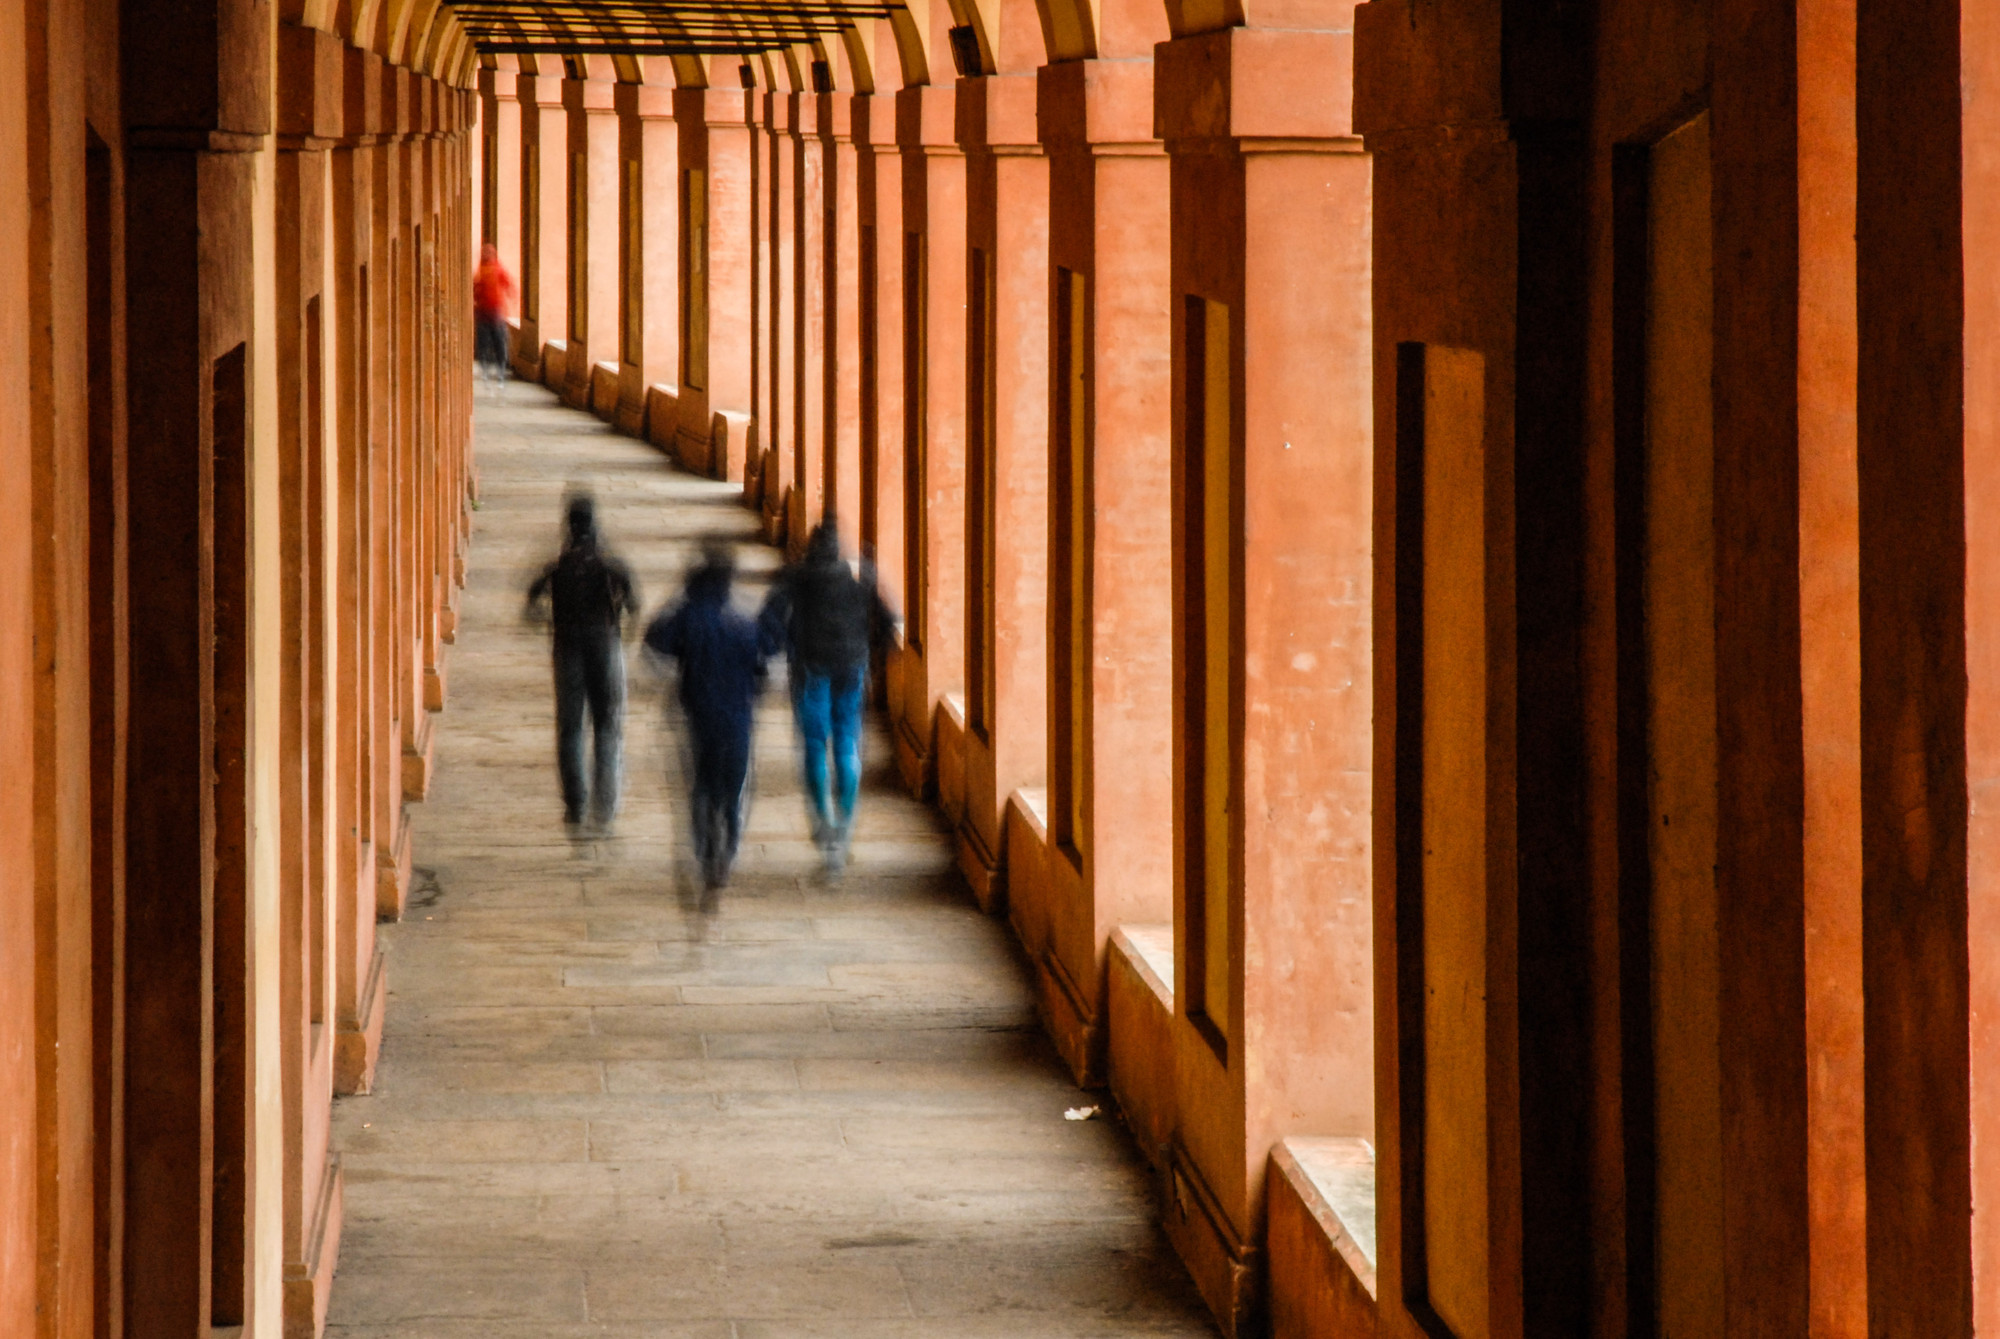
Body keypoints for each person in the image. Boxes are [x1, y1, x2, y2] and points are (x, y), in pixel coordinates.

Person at [759, 522, 895, 873]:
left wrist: (775, 651)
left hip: (811, 670)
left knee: (815, 746)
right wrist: (873, 656)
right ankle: (844, 826)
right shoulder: (860, 579)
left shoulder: (796, 577)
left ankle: (823, 820)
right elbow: (889, 623)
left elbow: (769, 620)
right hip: (852, 667)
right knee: (848, 744)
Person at [644, 545, 768, 890]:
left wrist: (679, 600)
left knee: (701, 786)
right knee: (732, 791)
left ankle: (703, 851)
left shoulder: (688, 616)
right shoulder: (744, 623)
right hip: (738, 721)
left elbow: (656, 639)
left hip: (698, 717)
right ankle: (726, 853)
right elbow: (762, 670)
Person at [526, 493, 639, 832]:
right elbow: (634, 605)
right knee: (607, 725)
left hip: (567, 649)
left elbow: (531, 605)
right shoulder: (610, 567)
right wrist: (621, 628)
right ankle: (605, 809)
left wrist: (550, 622)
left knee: (571, 728)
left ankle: (576, 805)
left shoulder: (557, 568)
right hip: (604, 646)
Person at [473, 243, 515, 387]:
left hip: (494, 313)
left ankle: (499, 371)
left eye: (489, 254)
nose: (487, 256)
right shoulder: (483, 272)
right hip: (487, 313)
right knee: (488, 343)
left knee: (496, 343)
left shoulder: (496, 270)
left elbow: (509, 285)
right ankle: (491, 370)